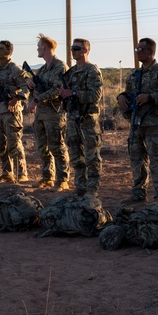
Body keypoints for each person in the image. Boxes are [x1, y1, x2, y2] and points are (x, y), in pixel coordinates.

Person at [117, 37, 158, 205]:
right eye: (136, 49)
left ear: (150, 52)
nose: (137, 52)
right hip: (136, 123)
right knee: (136, 160)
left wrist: (150, 97)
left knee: (157, 160)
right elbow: (129, 94)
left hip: (154, 123)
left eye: (141, 49)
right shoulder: (135, 74)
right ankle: (138, 193)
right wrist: (121, 97)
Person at [58, 38, 103, 197]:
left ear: (85, 50)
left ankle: (92, 189)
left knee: (91, 156)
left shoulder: (92, 70)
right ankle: (80, 187)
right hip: (72, 118)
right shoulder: (70, 73)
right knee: (75, 155)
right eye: (72, 48)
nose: (73, 51)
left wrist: (74, 93)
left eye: (76, 48)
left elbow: (95, 95)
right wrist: (63, 94)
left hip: (87, 119)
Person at [26, 34, 69, 191]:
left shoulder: (60, 67)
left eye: (39, 46)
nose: (37, 49)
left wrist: (36, 100)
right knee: (42, 147)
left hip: (54, 114)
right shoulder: (42, 69)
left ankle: (62, 179)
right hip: (41, 114)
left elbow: (58, 89)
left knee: (57, 147)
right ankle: (47, 177)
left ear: (45, 48)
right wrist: (31, 85)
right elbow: (37, 90)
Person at [0, 40, 30, 183]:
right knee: (0, 144)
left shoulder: (15, 69)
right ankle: (6, 172)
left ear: (9, 52)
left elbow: (26, 87)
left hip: (11, 111)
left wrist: (17, 98)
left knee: (14, 143)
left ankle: (21, 174)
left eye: (1, 49)